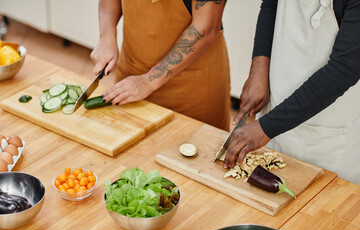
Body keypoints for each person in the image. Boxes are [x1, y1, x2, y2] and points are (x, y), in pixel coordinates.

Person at [225, 0, 360, 184]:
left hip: (328, 132)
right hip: (275, 105)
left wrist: (265, 127)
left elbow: (344, 69)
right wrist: (259, 66)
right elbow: (271, 3)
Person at [90, 0, 230, 130]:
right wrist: (106, 36)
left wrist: (149, 81)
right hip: (132, 74)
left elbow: (207, 27)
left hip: (192, 90)